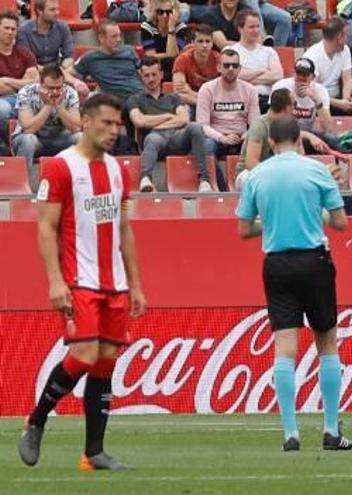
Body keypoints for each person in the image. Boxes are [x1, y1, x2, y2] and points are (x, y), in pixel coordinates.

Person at [18, 93, 147, 471]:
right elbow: (46, 227)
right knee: (85, 355)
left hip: (116, 283)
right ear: (86, 122)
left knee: (106, 362)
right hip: (79, 280)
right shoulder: (60, 167)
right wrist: (55, 281)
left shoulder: (119, 171)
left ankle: (94, 453)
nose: (113, 131)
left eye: (118, 125)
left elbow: (124, 229)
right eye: (106, 123)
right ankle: (36, 420)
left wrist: (136, 284)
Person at [236, 115, 352, 452]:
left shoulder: (256, 175)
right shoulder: (316, 171)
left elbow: (244, 230)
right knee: (327, 344)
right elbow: (342, 223)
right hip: (314, 261)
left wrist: (270, 222)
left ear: (271, 142)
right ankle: (331, 429)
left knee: (284, 348)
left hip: (277, 264)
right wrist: (316, 214)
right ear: (299, 140)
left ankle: (290, 432)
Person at [129, 57, 211, 193]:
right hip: (154, 141)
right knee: (152, 138)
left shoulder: (173, 97)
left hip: (176, 138)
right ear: (141, 77)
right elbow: (139, 121)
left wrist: (153, 123)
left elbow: (184, 119)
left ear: (161, 75)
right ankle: (145, 179)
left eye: (154, 74)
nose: (151, 79)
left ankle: (204, 180)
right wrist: (168, 116)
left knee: (195, 127)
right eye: (147, 75)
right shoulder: (135, 99)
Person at [235, 88, 333, 187]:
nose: (295, 107)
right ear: (287, 108)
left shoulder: (291, 124)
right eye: (294, 104)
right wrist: (276, 175)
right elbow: (251, 163)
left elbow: (300, 158)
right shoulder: (260, 126)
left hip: (278, 173)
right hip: (250, 173)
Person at [13, 64, 80, 193]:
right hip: (32, 141)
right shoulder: (26, 92)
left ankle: (80, 185)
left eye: (58, 88)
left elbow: (76, 127)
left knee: (81, 137)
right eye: (50, 88)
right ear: (40, 84)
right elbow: (29, 129)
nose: (55, 92)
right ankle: (21, 186)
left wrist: (59, 106)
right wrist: (48, 106)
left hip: (59, 140)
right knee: (28, 139)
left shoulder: (70, 92)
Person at [197, 48, 261, 183]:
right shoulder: (207, 89)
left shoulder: (250, 89)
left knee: (260, 142)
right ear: (219, 67)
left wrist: (246, 135)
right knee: (206, 145)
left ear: (240, 68)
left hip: (242, 137)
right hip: (216, 137)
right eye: (226, 65)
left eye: (235, 65)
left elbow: (256, 124)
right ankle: (219, 188)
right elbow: (202, 125)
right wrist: (222, 138)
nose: (231, 69)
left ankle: (254, 185)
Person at [16, 0, 89, 98]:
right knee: (30, 76)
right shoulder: (24, 30)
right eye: (52, 10)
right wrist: (56, 73)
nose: (57, 13)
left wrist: (63, 71)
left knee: (78, 73)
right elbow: (26, 61)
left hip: (58, 69)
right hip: (35, 70)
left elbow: (69, 56)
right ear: (40, 11)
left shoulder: (62, 27)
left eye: (57, 9)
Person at [270, 58, 341, 151]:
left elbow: (328, 128)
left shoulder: (320, 91)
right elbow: (275, 122)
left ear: (312, 77)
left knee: (332, 139)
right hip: (284, 134)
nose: (301, 78)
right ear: (293, 73)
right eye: (299, 73)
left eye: (305, 75)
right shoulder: (281, 87)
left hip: (307, 133)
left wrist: (317, 101)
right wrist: (308, 136)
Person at [70, 20, 143, 101]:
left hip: (140, 98)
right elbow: (64, 73)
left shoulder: (130, 51)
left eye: (120, 35)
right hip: (115, 103)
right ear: (101, 38)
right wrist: (76, 82)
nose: (119, 40)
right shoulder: (90, 58)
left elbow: (144, 73)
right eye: (114, 36)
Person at [230, 9, 283, 112]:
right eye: (251, 27)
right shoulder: (231, 51)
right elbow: (234, 75)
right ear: (240, 29)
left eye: (258, 26)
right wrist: (262, 70)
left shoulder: (269, 51)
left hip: (268, 102)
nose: (256, 30)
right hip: (241, 102)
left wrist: (246, 76)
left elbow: (277, 75)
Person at [304, 18, 352, 115]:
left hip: (338, 98)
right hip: (318, 102)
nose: (348, 39)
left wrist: (346, 99)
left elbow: (347, 78)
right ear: (339, 38)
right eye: (346, 36)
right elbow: (311, 91)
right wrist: (338, 104)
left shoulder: (345, 50)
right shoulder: (312, 57)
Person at [0, 10, 39, 135]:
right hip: (3, 101)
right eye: (6, 28)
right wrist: (23, 82)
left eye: (13, 29)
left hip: (23, 99)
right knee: (2, 109)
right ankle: (7, 142)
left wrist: (6, 81)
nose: (10, 32)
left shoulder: (25, 54)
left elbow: (35, 82)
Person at [172, 24, 221, 107]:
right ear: (193, 43)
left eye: (207, 41)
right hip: (192, 102)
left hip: (213, 99)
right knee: (178, 96)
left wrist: (190, 91)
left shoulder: (219, 59)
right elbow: (178, 90)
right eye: (200, 41)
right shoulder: (182, 59)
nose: (204, 45)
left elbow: (227, 86)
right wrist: (204, 101)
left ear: (212, 43)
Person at [141, 0, 187, 81]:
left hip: (174, 67)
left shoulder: (180, 27)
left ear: (175, 13)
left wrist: (171, 30)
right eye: (160, 12)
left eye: (169, 12)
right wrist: (170, 54)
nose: (164, 15)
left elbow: (174, 56)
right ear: (155, 13)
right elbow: (151, 57)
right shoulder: (147, 26)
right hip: (154, 68)